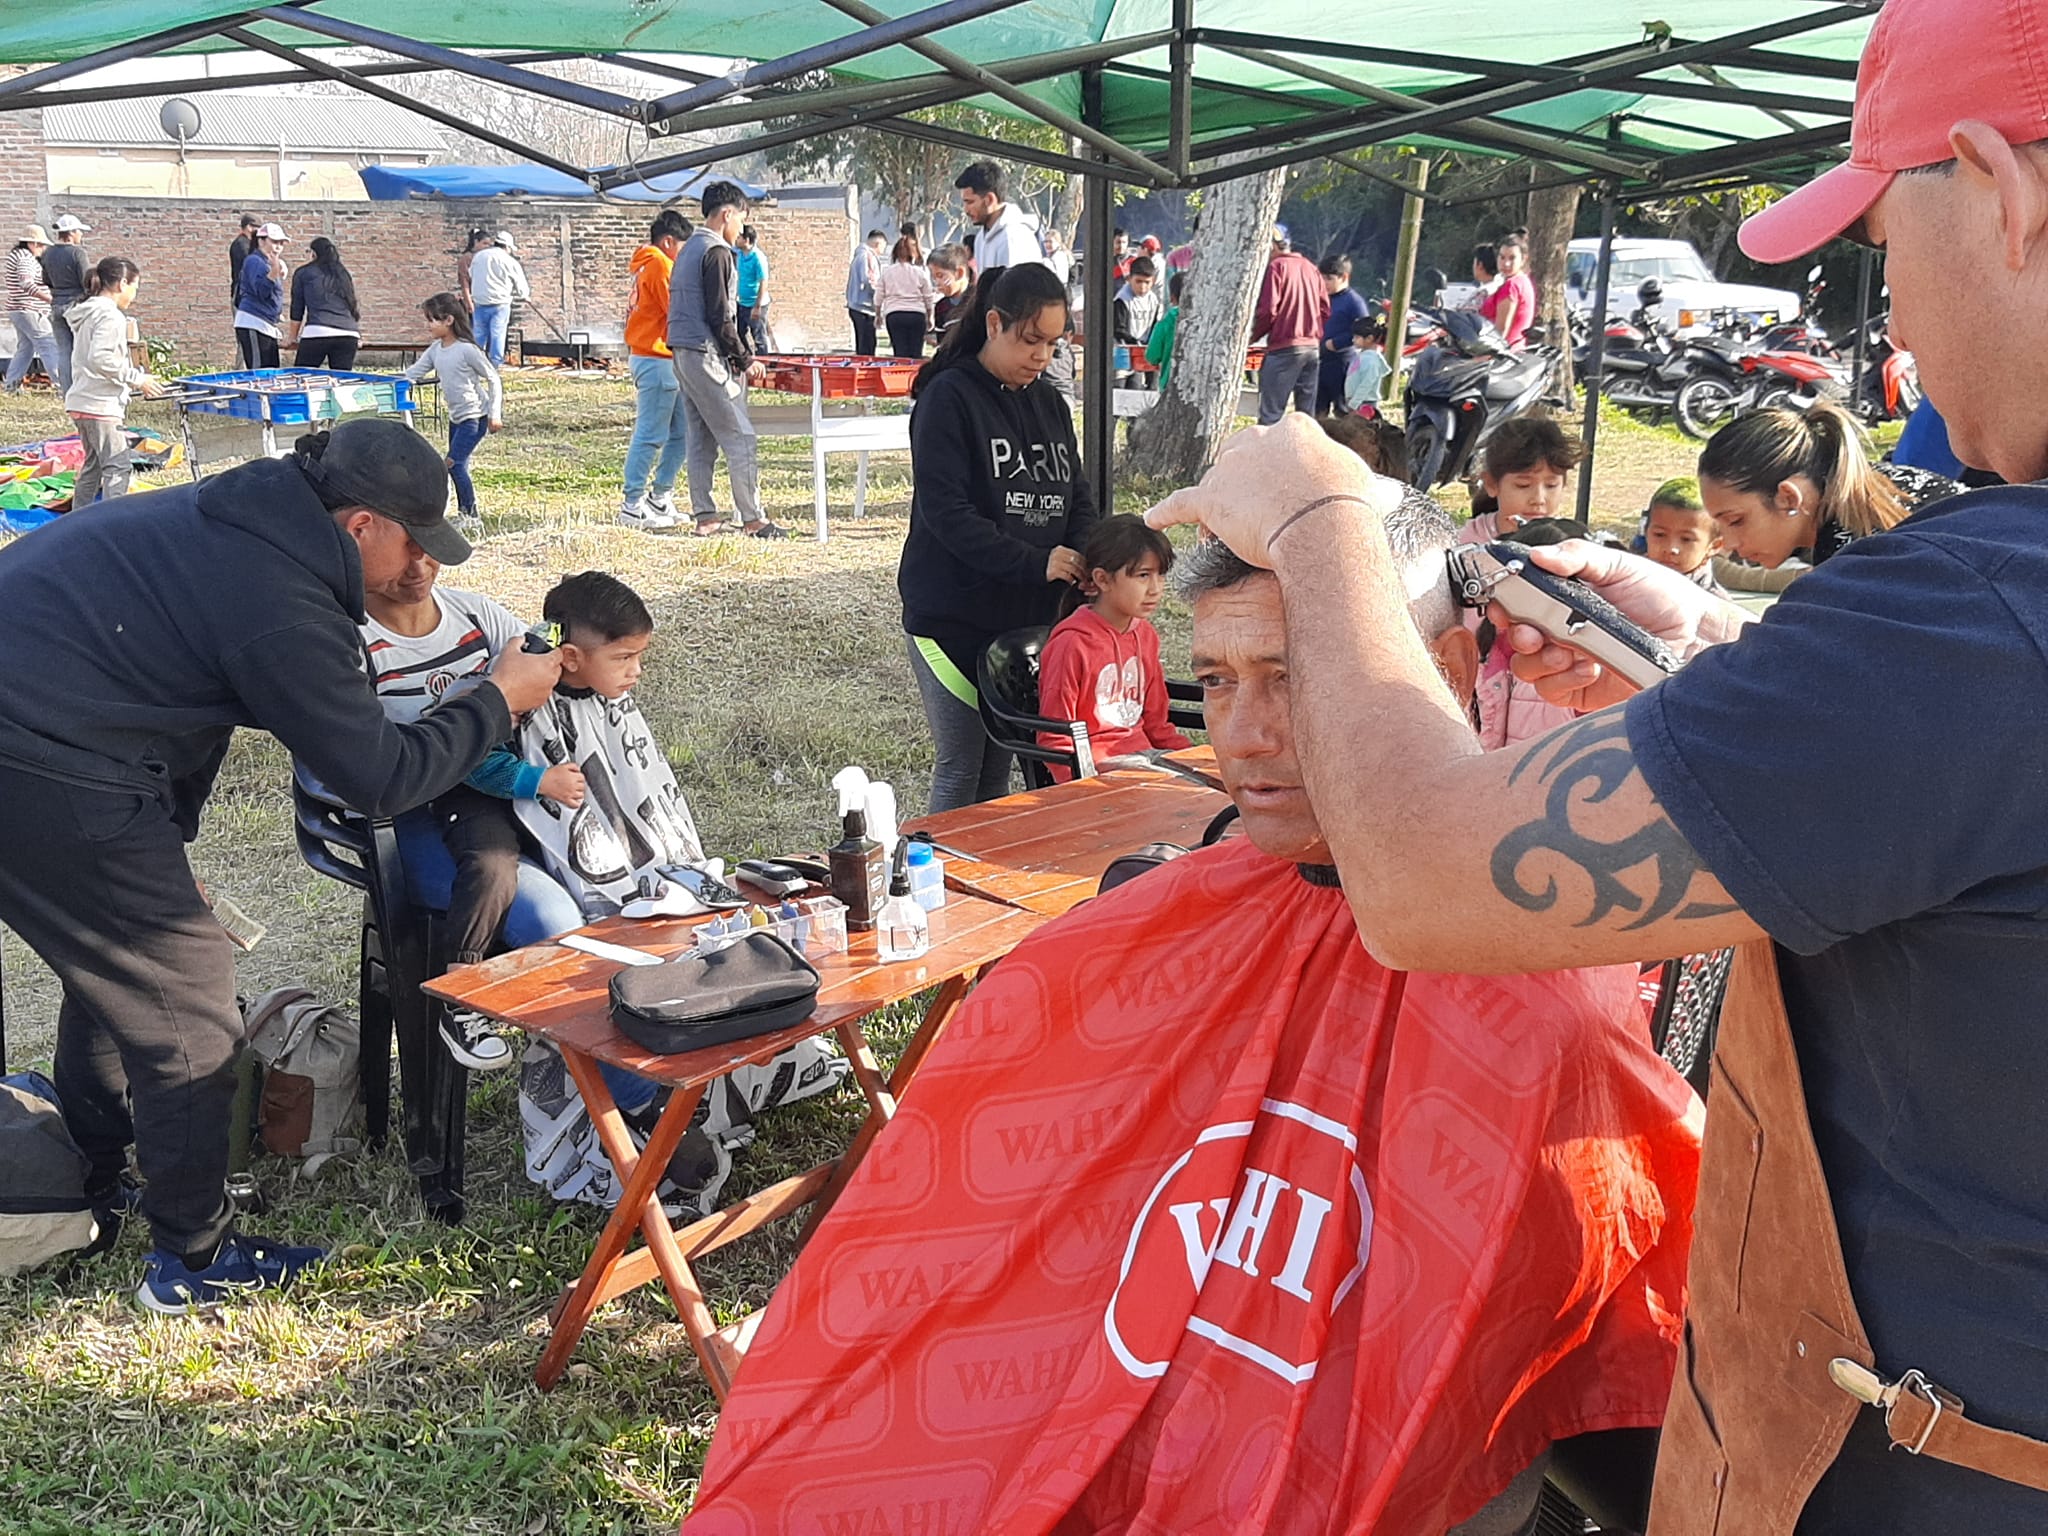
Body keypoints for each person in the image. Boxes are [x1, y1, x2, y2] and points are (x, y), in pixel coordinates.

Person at [1147, 7, 2048, 1515]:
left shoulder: (1985, 612)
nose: (1888, 318)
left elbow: (1431, 879)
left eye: (1885, 239)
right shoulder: (1977, 627)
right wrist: (1712, 668)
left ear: (2000, 191)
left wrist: (1323, 527)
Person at [687, 488, 1700, 1536]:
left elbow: (1565, 1316)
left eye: (1298, 676)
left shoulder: (1544, 993)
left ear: (1437, 676)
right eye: (1216, 680)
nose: (1246, 735)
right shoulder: (1129, 944)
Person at [0, 416, 561, 1313]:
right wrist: (498, 699)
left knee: (114, 975)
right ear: (359, 526)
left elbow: (177, 694)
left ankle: (96, 1183)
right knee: (189, 1001)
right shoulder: (282, 597)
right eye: (413, 541)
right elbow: (380, 776)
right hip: (41, 752)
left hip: (58, 726)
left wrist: (161, 846)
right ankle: (191, 1258)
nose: (429, 567)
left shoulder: (249, 521)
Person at [359, 546, 586, 1070]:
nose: (417, 570)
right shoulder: (353, 645)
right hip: (424, 808)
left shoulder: (476, 617)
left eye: (427, 551)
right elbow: (379, 770)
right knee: (541, 909)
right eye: (399, 555)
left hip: (510, 782)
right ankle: (467, 993)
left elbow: (544, 651)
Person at [899, 263, 1098, 810]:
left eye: (1054, 345)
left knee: (999, 771)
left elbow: (1077, 493)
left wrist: (1081, 551)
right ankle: (942, 879)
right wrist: (1035, 561)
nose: (1042, 356)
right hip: (951, 618)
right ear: (993, 323)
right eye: (1031, 339)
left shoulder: (1050, 403)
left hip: (1023, 623)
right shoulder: (948, 398)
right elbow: (948, 514)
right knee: (962, 768)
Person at [669, 180, 785, 539]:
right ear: (727, 214)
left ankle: (706, 516)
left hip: (682, 351)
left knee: (701, 436)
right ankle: (753, 519)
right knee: (740, 436)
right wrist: (745, 358)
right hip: (704, 353)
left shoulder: (688, 249)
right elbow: (721, 315)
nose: (741, 230)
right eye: (740, 221)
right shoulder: (717, 252)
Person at [1034, 514, 1191, 779]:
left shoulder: (1146, 635)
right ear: (1102, 580)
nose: (1155, 589)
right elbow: (1055, 738)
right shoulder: (1072, 643)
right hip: (1102, 771)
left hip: (1146, 759)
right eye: (1143, 576)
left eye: (1160, 576)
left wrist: (1200, 762)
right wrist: (1081, 793)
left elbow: (1157, 725)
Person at [1696, 401, 1920, 571]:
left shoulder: (1849, 560)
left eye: (1736, 521)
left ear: (1789, 498)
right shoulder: (1881, 481)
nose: (1729, 542)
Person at [64, 255, 166, 508]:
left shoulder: (89, 310)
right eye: (134, 287)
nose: (134, 295)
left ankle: (79, 521)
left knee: (94, 465)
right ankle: (110, 524)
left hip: (82, 400)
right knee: (117, 465)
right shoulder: (110, 315)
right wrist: (137, 379)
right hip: (100, 403)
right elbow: (100, 358)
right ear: (121, 283)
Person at [403, 293, 502, 537]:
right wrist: (386, 382)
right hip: (456, 418)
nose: (428, 326)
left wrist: (494, 413)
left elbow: (493, 378)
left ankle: (471, 516)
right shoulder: (437, 350)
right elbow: (414, 372)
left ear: (448, 320)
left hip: (474, 417)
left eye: (432, 320)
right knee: (459, 467)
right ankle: (464, 513)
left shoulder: (467, 350)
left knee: (453, 465)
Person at [621, 207, 692, 531]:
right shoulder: (660, 266)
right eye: (682, 245)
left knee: (682, 433)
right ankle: (632, 503)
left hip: (661, 358)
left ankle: (659, 495)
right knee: (651, 434)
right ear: (667, 242)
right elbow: (676, 310)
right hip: (655, 357)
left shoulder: (648, 265)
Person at [1457, 412, 1581, 545]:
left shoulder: (1571, 543)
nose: (1538, 499)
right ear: (1492, 484)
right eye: (1523, 485)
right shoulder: (1464, 544)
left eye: (1551, 485)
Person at [1252, 224, 1328, 424]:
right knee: (1306, 418)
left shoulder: (1276, 268)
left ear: (1271, 246)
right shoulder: (1312, 268)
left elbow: (1268, 311)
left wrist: (1251, 337)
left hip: (1284, 348)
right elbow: (1325, 310)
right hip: (1312, 347)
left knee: (1271, 415)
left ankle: (1269, 454)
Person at [1637, 476, 1727, 594]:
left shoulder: (1715, 604)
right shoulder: (1622, 583)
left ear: (1714, 546)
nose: (1671, 549)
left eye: (1686, 539)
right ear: (1646, 531)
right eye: (1660, 535)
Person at [286, 237, 362, 371]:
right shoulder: (343, 273)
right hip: (348, 333)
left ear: (313, 254)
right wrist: (357, 333)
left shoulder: (304, 272)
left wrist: (292, 337)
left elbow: (297, 309)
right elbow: (351, 303)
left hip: (318, 329)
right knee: (342, 380)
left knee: (301, 377)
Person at [4, 225, 62, 395]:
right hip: (29, 309)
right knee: (48, 344)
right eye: (41, 245)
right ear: (33, 243)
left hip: (20, 309)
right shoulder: (25, 258)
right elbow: (26, 283)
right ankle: (63, 385)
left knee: (26, 348)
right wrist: (51, 299)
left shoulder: (17, 255)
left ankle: (11, 385)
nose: (43, 249)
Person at [41, 213, 89, 392]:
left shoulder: (48, 253)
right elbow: (86, 281)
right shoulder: (77, 253)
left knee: (63, 351)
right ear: (71, 233)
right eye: (79, 232)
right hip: (75, 306)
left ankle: (67, 392)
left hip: (56, 305)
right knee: (80, 350)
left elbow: (46, 280)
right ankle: (81, 390)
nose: (81, 235)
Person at [466, 231, 529, 368]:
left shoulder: (479, 257)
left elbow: (471, 274)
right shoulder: (508, 260)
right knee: (497, 333)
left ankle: (475, 362)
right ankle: (495, 363)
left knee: (479, 333)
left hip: (480, 301)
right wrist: (524, 295)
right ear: (507, 247)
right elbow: (520, 281)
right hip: (500, 303)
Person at [1316, 253, 1369, 414]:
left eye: (1329, 279)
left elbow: (1365, 329)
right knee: (1316, 411)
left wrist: (1337, 343)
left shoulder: (1354, 302)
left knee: (1343, 411)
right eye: (1321, 278)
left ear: (1344, 277)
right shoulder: (1320, 298)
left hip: (1342, 363)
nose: (1324, 283)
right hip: (1319, 361)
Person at [232, 222, 288, 370]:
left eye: (281, 243)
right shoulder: (254, 261)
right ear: (261, 241)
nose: (278, 247)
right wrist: (274, 271)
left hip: (266, 323)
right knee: (259, 371)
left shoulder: (267, 262)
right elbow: (261, 290)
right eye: (274, 242)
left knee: (271, 369)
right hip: (253, 321)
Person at [876, 230, 935, 359]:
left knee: (900, 353)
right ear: (913, 254)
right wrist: (930, 315)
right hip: (916, 314)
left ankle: (900, 377)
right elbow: (928, 296)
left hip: (894, 314)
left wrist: (877, 314)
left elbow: (879, 295)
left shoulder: (887, 272)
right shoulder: (920, 273)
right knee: (916, 353)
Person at [1479, 229, 1536, 347]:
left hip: (1502, 355)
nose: (1506, 264)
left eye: (1512, 258)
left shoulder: (1511, 286)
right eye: (1502, 257)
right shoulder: (1523, 281)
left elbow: (1501, 332)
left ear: (1523, 259)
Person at [1112, 253, 1162, 385]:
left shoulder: (1153, 300)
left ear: (1153, 280)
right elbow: (1118, 328)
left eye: (1147, 282)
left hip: (1144, 351)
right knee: (1120, 389)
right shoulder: (1122, 299)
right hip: (1123, 351)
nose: (1142, 287)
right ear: (1129, 279)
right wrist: (1134, 342)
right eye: (1138, 281)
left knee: (1141, 388)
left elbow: (1155, 324)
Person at [844, 228, 886, 356]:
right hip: (863, 307)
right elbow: (869, 280)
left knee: (865, 344)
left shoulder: (860, 255)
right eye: (884, 246)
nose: (883, 250)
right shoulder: (867, 256)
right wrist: (879, 297)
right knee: (867, 345)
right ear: (878, 244)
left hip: (859, 306)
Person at [1344, 312, 1391, 415]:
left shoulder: (1371, 361)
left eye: (1357, 337)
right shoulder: (1362, 356)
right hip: (1357, 401)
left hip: (1364, 403)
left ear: (1369, 338)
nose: (1353, 340)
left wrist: (1354, 403)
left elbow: (1367, 384)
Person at [1145, 270, 1184, 393]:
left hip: (1170, 386)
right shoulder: (1208, 322)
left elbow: (1152, 356)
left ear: (1172, 298)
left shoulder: (1166, 323)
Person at [733, 224, 770, 355]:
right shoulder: (739, 253)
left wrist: (757, 306)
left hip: (756, 303)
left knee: (758, 336)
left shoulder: (758, 258)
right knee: (739, 333)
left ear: (747, 239)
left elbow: (763, 282)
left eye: (739, 237)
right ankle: (748, 359)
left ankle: (764, 362)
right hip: (742, 302)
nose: (736, 239)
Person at [928, 243, 971, 337]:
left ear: (959, 273)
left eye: (940, 276)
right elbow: (942, 344)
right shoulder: (940, 307)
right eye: (934, 277)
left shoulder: (978, 300)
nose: (937, 282)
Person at [227, 212, 258, 317]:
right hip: (242, 295)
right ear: (249, 227)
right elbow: (250, 266)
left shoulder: (248, 244)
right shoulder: (242, 244)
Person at [454, 226, 489, 311]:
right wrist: (469, 302)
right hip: (474, 300)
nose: (487, 247)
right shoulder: (467, 258)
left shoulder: (487, 257)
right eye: (484, 243)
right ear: (476, 242)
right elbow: (464, 282)